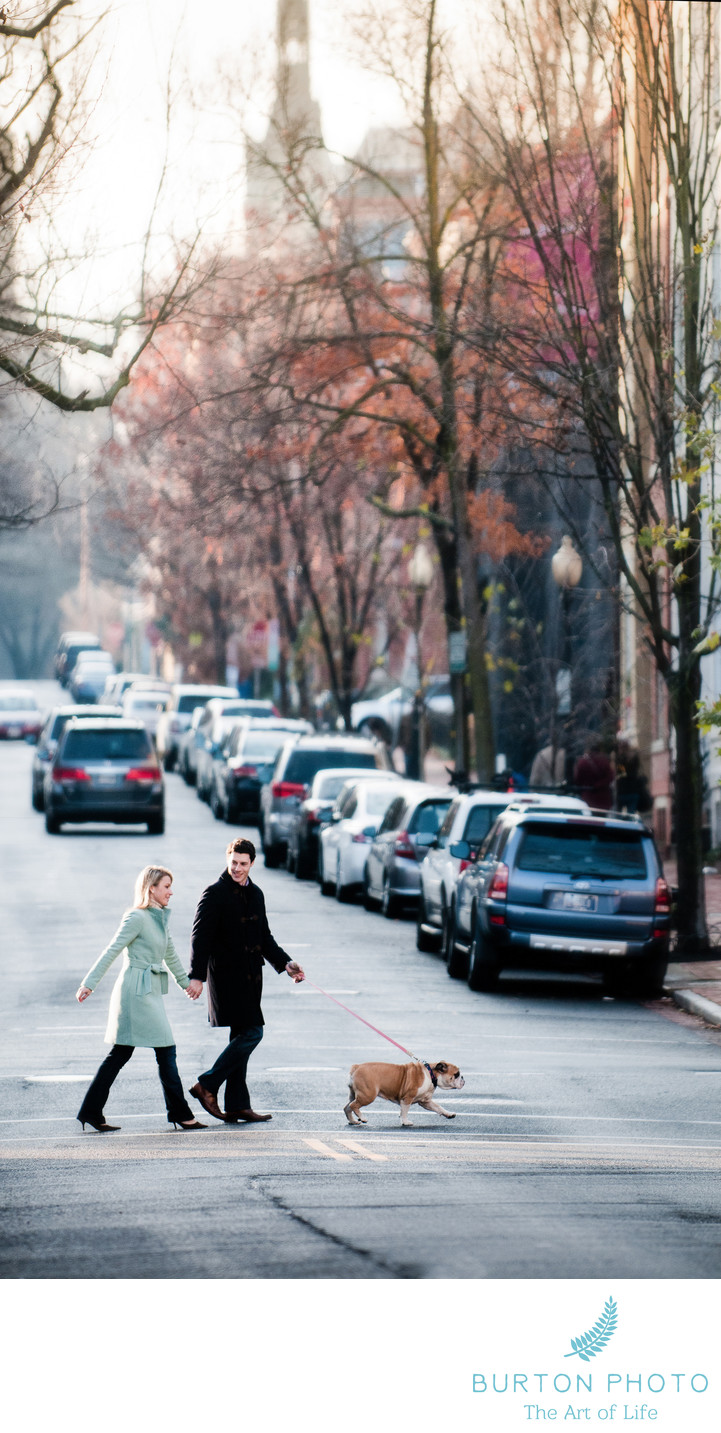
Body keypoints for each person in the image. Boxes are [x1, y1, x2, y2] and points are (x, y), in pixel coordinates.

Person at [75, 865, 205, 1133]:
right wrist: (89, 983)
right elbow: (112, 950)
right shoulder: (136, 917)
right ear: (151, 889)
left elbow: (170, 956)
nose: (171, 891)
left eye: (170, 886)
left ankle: (91, 1111)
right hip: (135, 992)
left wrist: (186, 984)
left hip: (150, 992)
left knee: (121, 1053)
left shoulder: (159, 918)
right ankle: (181, 1114)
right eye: (167, 886)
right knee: (165, 1049)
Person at [187, 837, 305, 1123]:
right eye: (233, 863)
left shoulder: (256, 894)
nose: (237, 869)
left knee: (241, 1036)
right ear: (227, 860)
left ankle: (238, 1104)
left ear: (252, 864)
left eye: (243, 864)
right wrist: (197, 977)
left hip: (251, 978)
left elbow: (264, 937)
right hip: (227, 978)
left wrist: (286, 963)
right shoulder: (214, 893)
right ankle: (207, 1084)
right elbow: (199, 937)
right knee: (253, 1033)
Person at [573, 740, 615, 810]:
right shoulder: (604, 761)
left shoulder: (582, 762)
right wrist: (599, 785)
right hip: (603, 797)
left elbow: (578, 779)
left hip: (587, 797)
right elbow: (610, 777)